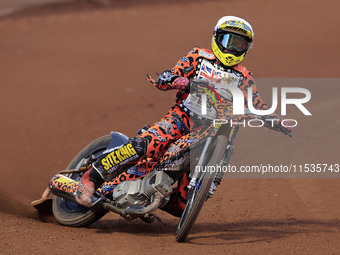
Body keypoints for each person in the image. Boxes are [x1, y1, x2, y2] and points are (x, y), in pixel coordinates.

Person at [75, 16, 293, 214]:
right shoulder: (199, 57)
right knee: (148, 144)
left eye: (239, 44)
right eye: (228, 41)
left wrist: (275, 120)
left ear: (247, 48)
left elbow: (256, 104)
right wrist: (174, 79)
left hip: (212, 129)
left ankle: (154, 195)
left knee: (183, 205)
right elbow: (172, 73)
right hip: (183, 117)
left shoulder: (244, 77)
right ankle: (92, 175)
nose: (233, 48)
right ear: (217, 39)